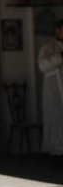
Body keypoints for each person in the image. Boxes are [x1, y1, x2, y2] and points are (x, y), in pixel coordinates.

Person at [38, 22, 63, 155]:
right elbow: (42, 65)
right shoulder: (48, 47)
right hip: (55, 91)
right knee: (57, 120)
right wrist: (60, 57)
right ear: (58, 30)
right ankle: (56, 152)